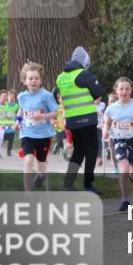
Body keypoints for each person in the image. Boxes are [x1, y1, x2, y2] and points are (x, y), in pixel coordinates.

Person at [54, 46, 105, 194]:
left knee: (78, 151)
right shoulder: (83, 73)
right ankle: (88, 185)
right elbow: (98, 92)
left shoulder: (61, 77)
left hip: (72, 120)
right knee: (92, 151)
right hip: (87, 118)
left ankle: (68, 184)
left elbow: (55, 94)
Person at [103, 77, 133, 211]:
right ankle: (125, 200)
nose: (124, 91)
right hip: (119, 142)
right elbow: (106, 124)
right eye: (121, 89)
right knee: (124, 169)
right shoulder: (111, 108)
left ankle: (128, 181)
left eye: (127, 89)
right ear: (116, 90)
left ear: (131, 90)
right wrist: (106, 131)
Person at [16, 62, 61, 191]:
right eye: (30, 78)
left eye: (36, 78)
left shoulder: (46, 95)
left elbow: (57, 112)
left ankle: (41, 176)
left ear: (40, 80)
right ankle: (27, 192)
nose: (34, 81)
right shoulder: (21, 96)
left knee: (41, 164)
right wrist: (18, 121)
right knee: (28, 160)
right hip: (27, 133)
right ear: (25, 81)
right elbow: (21, 110)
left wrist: (43, 116)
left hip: (43, 135)